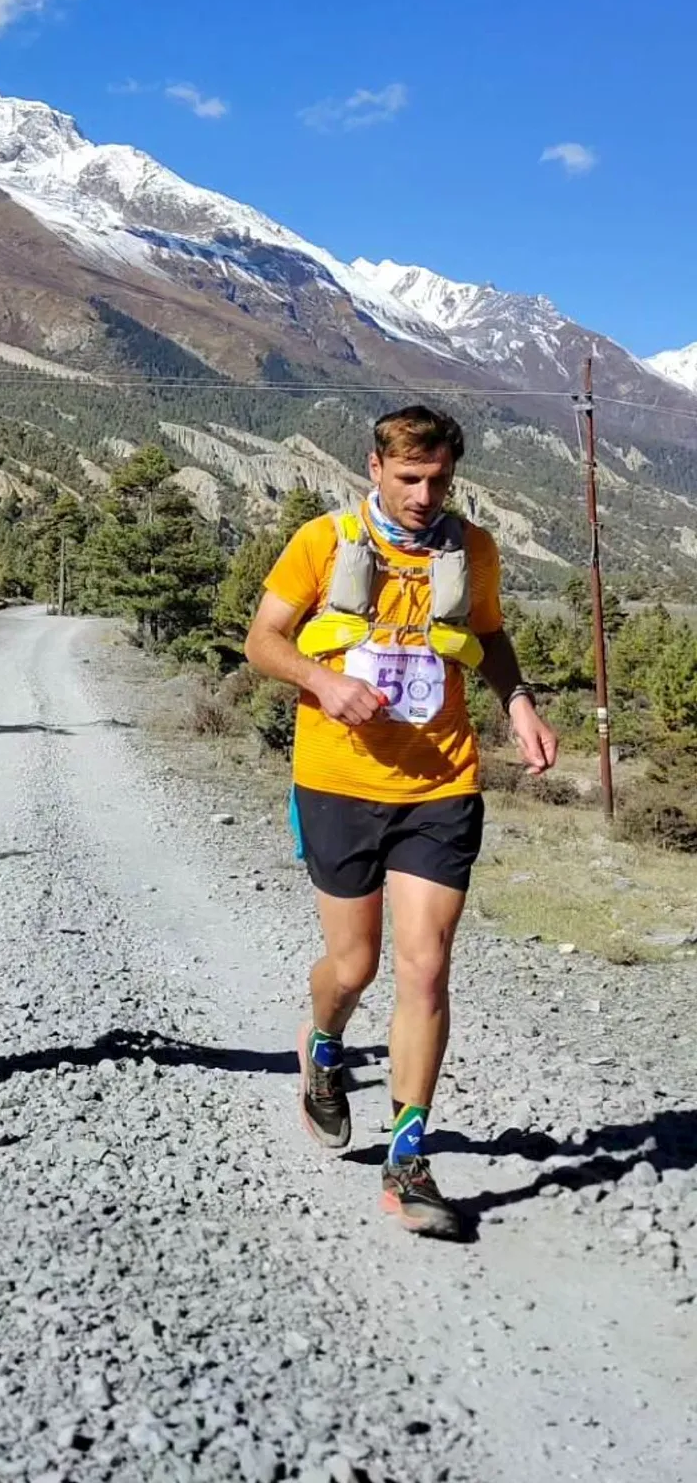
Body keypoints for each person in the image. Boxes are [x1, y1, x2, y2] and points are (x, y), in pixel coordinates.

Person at [244, 406, 558, 1238]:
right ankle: (321, 1048)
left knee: (425, 971)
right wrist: (323, 682)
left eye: (440, 480)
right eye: (410, 478)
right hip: (339, 780)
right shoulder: (324, 540)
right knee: (353, 967)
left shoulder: (472, 549)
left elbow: (488, 634)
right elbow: (263, 641)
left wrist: (518, 703)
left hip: (441, 782)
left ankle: (407, 1161)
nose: (425, 495)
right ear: (375, 468)